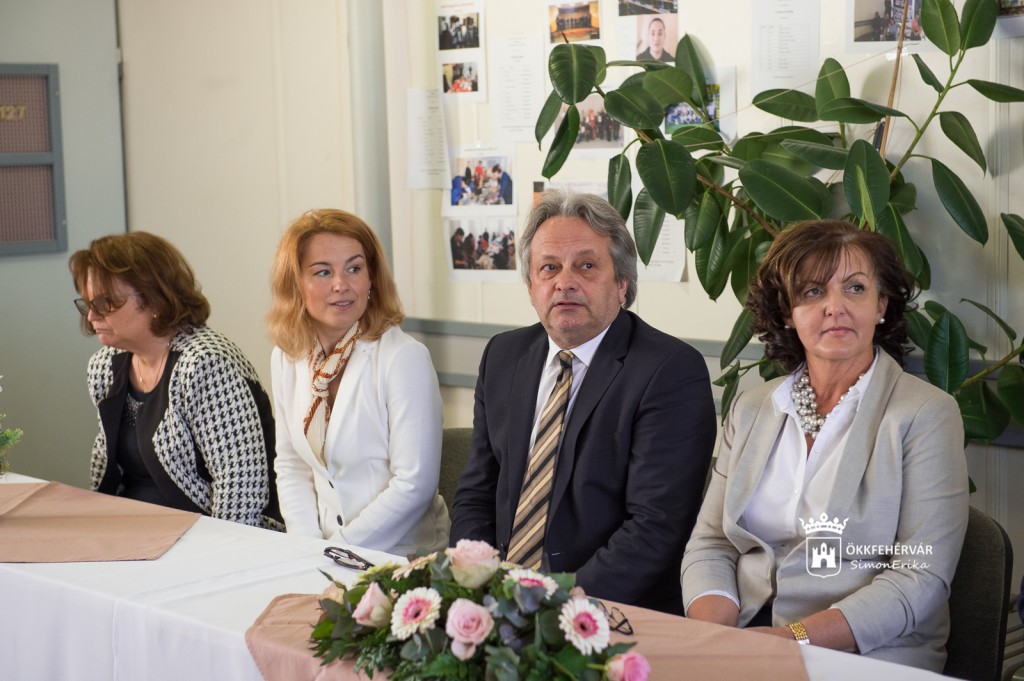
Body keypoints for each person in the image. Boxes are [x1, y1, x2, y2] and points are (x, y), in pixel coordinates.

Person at [681, 220, 968, 672]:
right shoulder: (752, 408)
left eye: (855, 288)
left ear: (881, 305)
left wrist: (789, 641)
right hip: (746, 637)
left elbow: (920, 577)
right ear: (787, 312)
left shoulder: (926, 414)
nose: (835, 307)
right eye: (813, 292)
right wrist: (718, 643)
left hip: (870, 653)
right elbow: (712, 542)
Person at [450, 190, 717, 615]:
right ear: (531, 286)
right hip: (499, 599)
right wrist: (477, 581)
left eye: (586, 266)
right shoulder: (503, 355)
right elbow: (477, 492)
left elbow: (655, 526)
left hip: (608, 611)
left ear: (622, 284)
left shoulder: (669, 370)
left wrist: (553, 605)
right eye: (549, 267)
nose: (565, 282)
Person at [267, 209, 449, 556]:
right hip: (319, 550)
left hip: (400, 556)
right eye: (323, 272)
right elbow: (291, 464)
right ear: (295, 284)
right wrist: (306, 549)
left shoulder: (403, 358)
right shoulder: (287, 357)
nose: (342, 284)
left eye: (354, 268)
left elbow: (414, 485)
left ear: (371, 279)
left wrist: (337, 551)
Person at [69, 232, 280, 527]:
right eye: (88, 304)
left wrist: (218, 551)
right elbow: (108, 474)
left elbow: (241, 488)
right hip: (132, 526)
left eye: (104, 303)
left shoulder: (206, 363)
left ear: (154, 300)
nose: (92, 317)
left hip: (206, 533)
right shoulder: (105, 366)